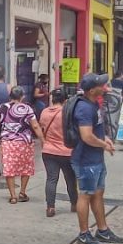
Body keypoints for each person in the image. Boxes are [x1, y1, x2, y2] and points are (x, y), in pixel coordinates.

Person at [70, 74, 123, 244]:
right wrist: (103, 145)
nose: (105, 86)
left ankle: (102, 230)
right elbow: (86, 136)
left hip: (95, 158)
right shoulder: (84, 108)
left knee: (98, 193)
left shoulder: (93, 104)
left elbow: (96, 129)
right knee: (85, 195)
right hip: (86, 159)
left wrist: (105, 138)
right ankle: (84, 234)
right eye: (102, 84)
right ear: (92, 90)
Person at [0, 86, 44, 204]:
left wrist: (5, 126)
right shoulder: (28, 109)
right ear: (22, 96)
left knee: (9, 168)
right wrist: (43, 140)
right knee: (25, 167)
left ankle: (13, 196)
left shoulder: (3, 107)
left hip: (8, 142)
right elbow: (35, 126)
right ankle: (22, 192)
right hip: (24, 142)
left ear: (10, 96)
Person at [39, 88, 77, 217]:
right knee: (70, 180)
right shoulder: (67, 114)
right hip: (67, 151)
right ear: (65, 100)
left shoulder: (44, 112)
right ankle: (74, 204)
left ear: (52, 99)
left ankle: (50, 207)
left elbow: (41, 128)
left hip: (48, 151)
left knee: (51, 179)